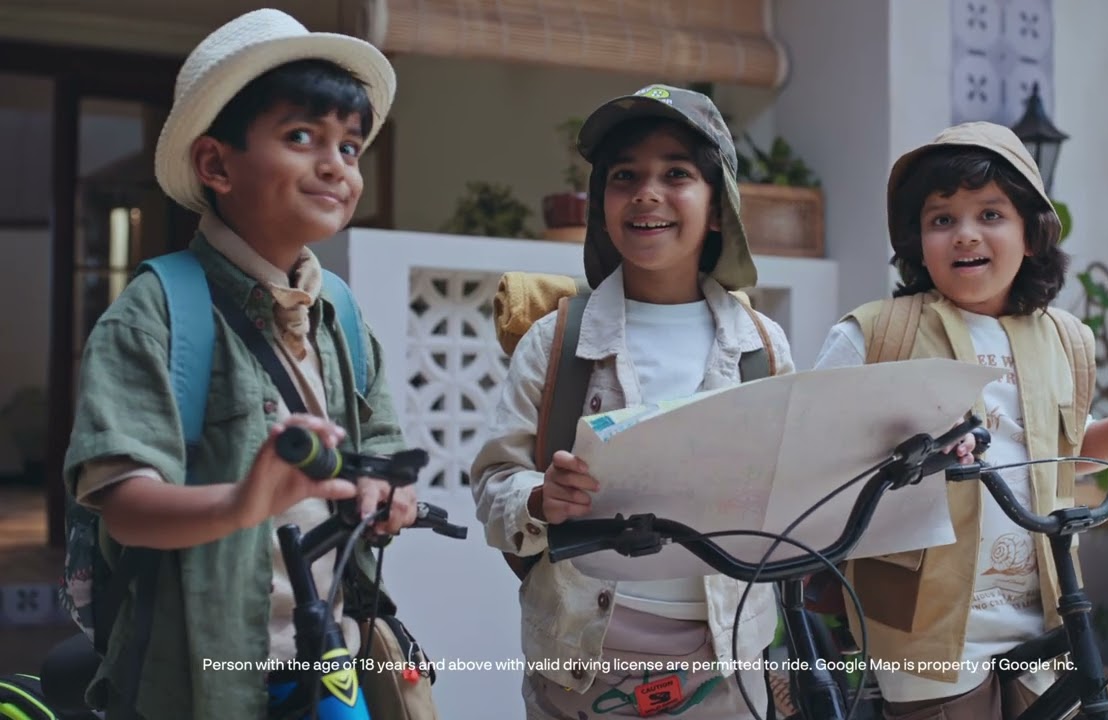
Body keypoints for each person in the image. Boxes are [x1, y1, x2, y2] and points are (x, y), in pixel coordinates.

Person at [63, 9, 416, 718]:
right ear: (216, 165)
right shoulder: (156, 312)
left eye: (350, 147)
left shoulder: (341, 315)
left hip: (332, 657)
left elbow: (381, 447)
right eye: (301, 137)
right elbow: (124, 507)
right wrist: (242, 503)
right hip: (197, 679)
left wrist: (385, 493)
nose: (336, 165)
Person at [812, 121, 1108, 719]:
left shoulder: (1065, 340)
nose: (965, 234)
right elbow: (814, 456)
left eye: (990, 214)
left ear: (1031, 234)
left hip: (1046, 611)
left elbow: (1059, 456)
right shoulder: (878, 334)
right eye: (941, 219)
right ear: (917, 242)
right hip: (924, 623)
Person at [471, 84, 795, 718]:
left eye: (676, 174)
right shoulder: (556, 341)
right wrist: (540, 499)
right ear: (602, 206)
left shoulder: (760, 346)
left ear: (719, 208)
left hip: (727, 661)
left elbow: (794, 487)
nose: (647, 193)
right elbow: (493, 484)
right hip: (580, 663)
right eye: (625, 176)